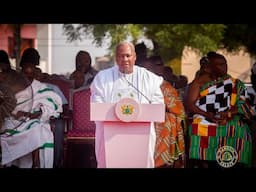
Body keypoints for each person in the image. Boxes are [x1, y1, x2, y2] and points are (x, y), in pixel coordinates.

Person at [90, 41, 164, 168]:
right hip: (110, 135)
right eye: (121, 56)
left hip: (141, 135)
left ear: (134, 57)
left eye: (128, 56)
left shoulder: (148, 78)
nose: (125, 59)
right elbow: (97, 103)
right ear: (116, 58)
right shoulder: (103, 78)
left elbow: (158, 103)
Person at [186, 52, 254, 168]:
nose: (224, 67)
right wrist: (207, 114)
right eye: (219, 64)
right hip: (206, 116)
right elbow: (190, 105)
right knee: (197, 128)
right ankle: (205, 161)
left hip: (231, 117)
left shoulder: (235, 83)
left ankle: (235, 162)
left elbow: (244, 105)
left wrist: (229, 113)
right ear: (209, 68)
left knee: (239, 130)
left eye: (225, 63)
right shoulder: (198, 83)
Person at [0, 70, 62, 168]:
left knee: (38, 129)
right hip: (9, 120)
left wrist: (37, 113)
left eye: (31, 73)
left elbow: (52, 105)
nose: (28, 75)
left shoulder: (41, 88)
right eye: (25, 72)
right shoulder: (8, 89)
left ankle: (36, 163)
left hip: (32, 120)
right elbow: (7, 108)